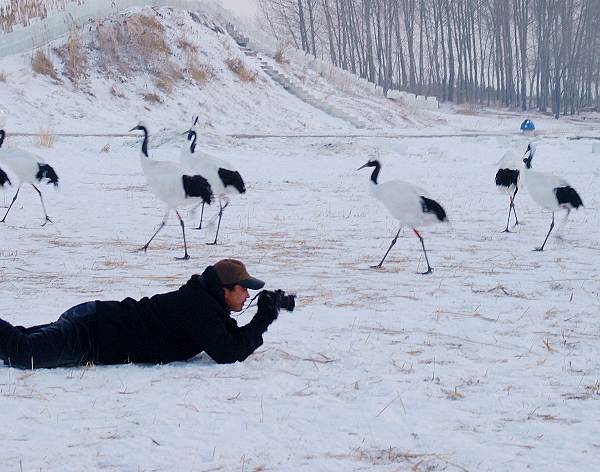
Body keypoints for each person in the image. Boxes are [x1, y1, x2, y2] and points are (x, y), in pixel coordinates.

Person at [0, 259, 282, 369]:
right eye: (243, 289)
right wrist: (262, 319)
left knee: (19, 340)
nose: (247, 295)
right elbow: (227, 352)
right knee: (25, 353)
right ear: (224, 290)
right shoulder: (199, 309)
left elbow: (229, 339)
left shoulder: (205, 305)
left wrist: (265, 315)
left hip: (95, 320)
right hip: (93, 331)